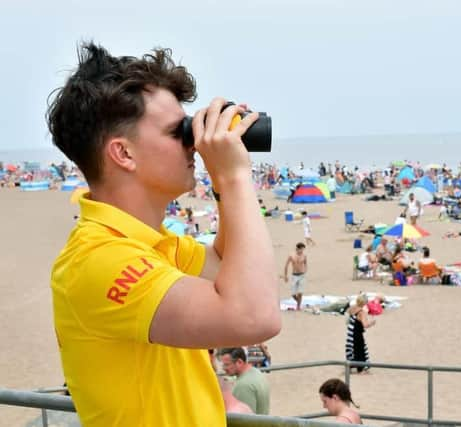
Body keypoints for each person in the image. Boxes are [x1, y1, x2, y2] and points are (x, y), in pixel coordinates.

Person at [47, 42, 281, 426]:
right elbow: (255, 317)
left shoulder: (151, 245)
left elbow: (231, 267)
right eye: (179, 131)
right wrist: (235, 175)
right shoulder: (98, 260)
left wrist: (224, 179)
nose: (193, 141)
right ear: (123, 154)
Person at [219, 347, 270, 415]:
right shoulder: (255, 372)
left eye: (227, 364)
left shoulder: (243, 386)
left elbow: (244, 419)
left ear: (239, 362)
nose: (223, 368)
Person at [346, 294, 376, 373]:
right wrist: (372, 322)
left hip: (351, 332)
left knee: (353, 348)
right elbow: (365, 325)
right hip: (357, 333)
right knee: (360, 349)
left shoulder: (352, 308)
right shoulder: (362, 312)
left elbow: (347, 315)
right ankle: (360, 368)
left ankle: (351, 365)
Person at [284, 242, 308, 311]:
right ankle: (299, 303)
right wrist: (285, 276)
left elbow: (306, 264)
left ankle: (298, 307)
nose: (302, 251)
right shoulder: (291, 256)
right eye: (301, 249)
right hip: (294, 276)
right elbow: (286, 266)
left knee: (300, 293)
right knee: (293, 294)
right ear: (297, 249)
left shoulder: (304, 255)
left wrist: (305, 270)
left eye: (303, 250)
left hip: (302, 275)